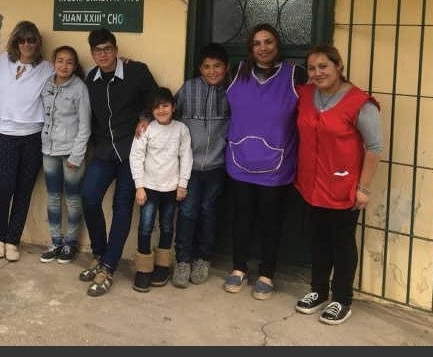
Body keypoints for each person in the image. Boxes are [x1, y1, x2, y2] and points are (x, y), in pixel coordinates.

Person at [293, 45, 383, 325]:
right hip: (312, 183)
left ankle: (342, 299)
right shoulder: (306, 95)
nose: (317, 73)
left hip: (343, 185)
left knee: (342, 243)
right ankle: (318, 291)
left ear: (338, 66)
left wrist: (364, 188)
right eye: (312, 68)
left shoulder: (359, 102)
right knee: (318, 240)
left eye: (323, 66)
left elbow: (374, 147)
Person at [223, 23, 308, 300]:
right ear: (251, 48)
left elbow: (323, 94)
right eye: (257, 43)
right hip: (240, 161)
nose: (263, 48)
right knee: (241, 218)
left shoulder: (296, 75)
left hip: (277, 165)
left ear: (277, 45)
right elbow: (207, 74)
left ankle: (267, 273)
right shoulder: (236, 72)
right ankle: (238, 267)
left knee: (271, 221)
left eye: (268, 42)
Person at [80, 27, 158, 297]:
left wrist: (146, 117)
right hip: (103, 151)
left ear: (116, 49)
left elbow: (156, 101)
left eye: (107, 49)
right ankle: (100, 253)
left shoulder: (137, 71)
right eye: (97, 50)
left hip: (130, 153)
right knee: (89, 198)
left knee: (122, 206)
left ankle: (109, 266)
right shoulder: (91, 78)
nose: (103, 54)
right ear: (92, 53)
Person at [0, 20, 54, 262]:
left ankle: (12, 240)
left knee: (23, 190)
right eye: (22, 40)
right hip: (5, 134)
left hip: (33, 137)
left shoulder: (47, 68)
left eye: (32, 40)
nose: (27, 44)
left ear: (38, 43)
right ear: (15, 41)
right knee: (2, 188)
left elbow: (72, 73)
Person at [171, 43, 231, 288]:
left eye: (217, 66)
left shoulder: (233, 90)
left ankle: (203, 258)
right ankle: (183, 260)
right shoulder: (189, 88)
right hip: (190, 167)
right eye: (206, 67)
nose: (212, 71)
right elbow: (169, 113)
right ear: (199, 68)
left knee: (208, 211)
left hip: (217, 166)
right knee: (187, 212)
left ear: (226, 68)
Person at [129, 87, 192, 293]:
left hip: (171, 189)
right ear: (151, 111)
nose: (161, 110)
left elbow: (186, 157)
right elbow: (136, 157)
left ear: (173, 107)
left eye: (165, 106)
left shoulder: (181, 129)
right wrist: (139, 186)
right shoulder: (146, 129)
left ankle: (162, 267)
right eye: (156, 107)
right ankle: (143, 270)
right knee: (146, 227)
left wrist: (182, 184)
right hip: (148, 188)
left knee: (166, 227)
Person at [38, 45, 91, 264]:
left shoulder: (79, 88)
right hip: (49, 150)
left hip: (70, 152)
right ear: (53, 62)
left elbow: (85, 125)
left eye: (70, 62)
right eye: (60, 60)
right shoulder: (47, 84)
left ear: (75, 65)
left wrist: (76, 156)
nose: (64, 66)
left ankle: (70, 242)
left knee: (72, 198)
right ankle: (56, 240)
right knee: (53, 197)